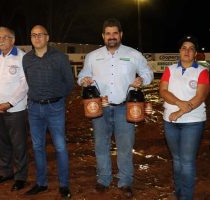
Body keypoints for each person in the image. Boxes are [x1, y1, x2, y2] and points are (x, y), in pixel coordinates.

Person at [77, 18, 153, 198]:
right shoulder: (93, 56)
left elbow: (148, 72)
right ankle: (103, 179)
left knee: (125, 147)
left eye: (115, 33)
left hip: (124, 108)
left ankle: (125, 181)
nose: (112, 37)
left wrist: (142, 80)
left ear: (121, 35)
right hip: (99, 108)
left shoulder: (133, 54)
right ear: (103, 36)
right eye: (108, 33)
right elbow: (82, 75)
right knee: (101, 146)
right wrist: (84, 80)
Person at [22, 25, 74, 199]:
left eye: (40, 35)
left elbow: (69, 83)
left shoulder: (60, 57)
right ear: (30, 38)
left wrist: (56, 97)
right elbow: (29, 81)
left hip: (55, 108)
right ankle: (41, 183)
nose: (37, 38)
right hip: (34, 109)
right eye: (33, 35)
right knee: (37, 147)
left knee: (60, 147)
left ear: (47, 37)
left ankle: (64, 185)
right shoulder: (27, 59)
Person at [159, 36, 210, 200]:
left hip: (192, 122)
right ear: (179, 51)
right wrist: (179, 103)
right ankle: (179, 192)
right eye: (184, 48)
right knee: (177, 160)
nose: (187, 51)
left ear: (195, 53)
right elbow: (163, 91)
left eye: (191, 48)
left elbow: (200, 96)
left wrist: (180, 112)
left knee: (187, 161)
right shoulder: (170, 69)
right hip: (170, 122)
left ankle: (186, 197)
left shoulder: (202, 71)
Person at [0, 27, 28, 191]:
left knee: (19, 145)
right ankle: (6, 172)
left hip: (15, 110)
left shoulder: (22, 57)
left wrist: (9, 103)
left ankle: (20, 176)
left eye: (5, 37)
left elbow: (25, 85)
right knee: (1, 144)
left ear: (13, 39)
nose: (1, 40)